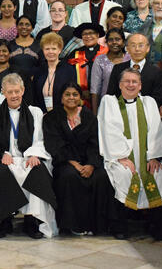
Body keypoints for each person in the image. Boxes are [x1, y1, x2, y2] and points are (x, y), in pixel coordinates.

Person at [98, 68, 162, 241]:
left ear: (140, 85)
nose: (131, 85)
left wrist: (154, 156)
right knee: (122, 175)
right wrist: (121, 157)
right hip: (119, 157)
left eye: (135, 82)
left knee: (159, 175)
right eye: (127, 81)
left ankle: (160, 228)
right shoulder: (109, 103)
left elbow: (156, 131)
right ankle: (120, 227)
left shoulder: (149, 103)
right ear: (120, 85)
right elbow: (108, 130)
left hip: (148, 156)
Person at [0, 73, 58, 239]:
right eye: (10, 92)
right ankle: (5, 220)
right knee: (3, 172)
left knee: (37, 170)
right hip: (8, 158)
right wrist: (2, 154)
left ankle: (31, 220)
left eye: (17, 91)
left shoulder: (35, 112)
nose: (14, 95)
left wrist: (35, 154)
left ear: (23, 91)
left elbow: (41, 138)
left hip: (28, 157)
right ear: (3, 92)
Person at [43, 81, 111, 236]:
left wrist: (91, 165)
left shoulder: (90, 117)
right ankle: (71, 225)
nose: (71, 98)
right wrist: (74, 164)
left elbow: (96, 144)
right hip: (65, 161)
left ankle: (97, 225)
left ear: (80, 98)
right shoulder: (51, 118)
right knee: (69, 176)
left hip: (89, 161)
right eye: (67, 94)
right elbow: (54, 144)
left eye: (75, 94)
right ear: (61, 98)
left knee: (101, 177)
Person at [106, 33, 162, 106]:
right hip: (121, 111)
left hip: (146, 112)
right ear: (127, 48)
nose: (137, 49)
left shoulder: (156, 71)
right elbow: (111, 94)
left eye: (141, 45)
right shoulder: (118, 69)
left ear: (148, 48)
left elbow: (158, 98)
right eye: (133, 45)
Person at [31, 33, 77, 112]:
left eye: (54, 49)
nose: (50, 52)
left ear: (59, 50)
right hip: (42, 115)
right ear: (43, 50)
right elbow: (35, 97)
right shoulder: (38, 71)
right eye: (47, 49)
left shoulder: (69, 70)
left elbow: (72, 95)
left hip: (63, 115)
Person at [90, 28, 130, 109]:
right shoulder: (100, 60)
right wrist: (95, 115)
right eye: (111, 40)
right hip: (106, 106)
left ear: (123, 42)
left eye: (117, 39)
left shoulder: (130, 58)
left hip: (129, 105)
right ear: (107, 42)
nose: (114, 42)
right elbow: (95, 90)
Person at [67, 23, 107, 98]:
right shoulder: (75, 53)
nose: (88, 36)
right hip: (81, 97)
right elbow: (69, 75)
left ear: (98, 35)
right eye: (84, 34)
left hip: (103, 94)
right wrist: (79, 91)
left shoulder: (107, 52)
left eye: (91, 33)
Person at [8, 16, 40, 81]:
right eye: (21, 24)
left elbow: (42, 65)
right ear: (16, 27)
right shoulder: (9, 45)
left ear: (32, 28)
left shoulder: (39, 45)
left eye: (27, 25)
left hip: (34, 82)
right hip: (12, 82)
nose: (24, 27)